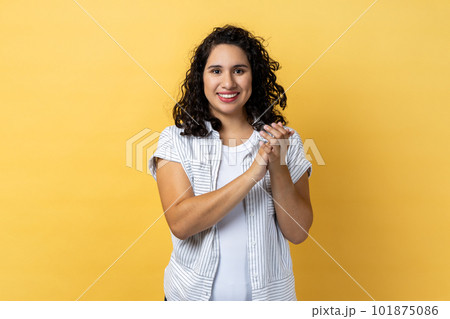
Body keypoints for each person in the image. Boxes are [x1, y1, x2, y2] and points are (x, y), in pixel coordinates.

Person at [148, 25, 313, 301]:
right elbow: (181, 222)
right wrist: (252, 174)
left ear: (253, 76)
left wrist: (278, 165)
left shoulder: (286, 141)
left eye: (239, 70)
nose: (228, 83)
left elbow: (297, 232)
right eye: (216, 71)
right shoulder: (175, 140)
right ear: (201, 78)